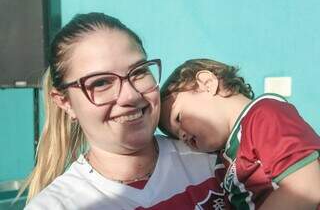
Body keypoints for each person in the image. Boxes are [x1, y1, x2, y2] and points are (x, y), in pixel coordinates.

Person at [22, 13, 230, 210]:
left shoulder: (215, 159)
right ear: (65, 102)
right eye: (101, 82)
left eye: (139, 72)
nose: (130, 95)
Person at [159, 58, 320, 209]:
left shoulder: (263, 114)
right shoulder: (223, 158)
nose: (182, 136)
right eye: (176, 135)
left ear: (206, 84)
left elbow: (307, 186)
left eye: (178, 118)